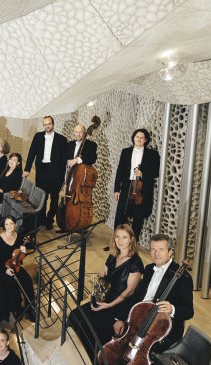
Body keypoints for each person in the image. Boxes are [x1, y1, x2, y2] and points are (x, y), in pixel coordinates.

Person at [112, 234, 193, 353]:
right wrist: (121, 318)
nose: (156, 253)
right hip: (138, 320)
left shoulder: (183, 278)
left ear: (170, 252)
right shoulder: (149, 269)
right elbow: (136, 296)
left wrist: (172, 308)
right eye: (153, 249)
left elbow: (188, 311)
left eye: (161, 249)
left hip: (160, 331)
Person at [70, 225, 143, 353]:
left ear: (131, 239)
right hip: (105, 300)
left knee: (87, 325)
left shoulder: (135, 263)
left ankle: (89, 357)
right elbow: (102, 278)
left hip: (120, 307)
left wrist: (109, 305)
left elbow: (129, 292)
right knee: (74, 315)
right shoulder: (112, 257)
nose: (120, 241)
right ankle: (74, 351)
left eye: (124, 237)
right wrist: (96, 296)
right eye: (117, 237)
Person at [113, 129, 161, 241]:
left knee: (138, 217)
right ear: (133, 138)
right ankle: (117, 241)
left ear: (145, 140)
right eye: (137, 137)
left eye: (142, 138)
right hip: (127, 186)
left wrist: (142, 174)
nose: (139, 139)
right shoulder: (125, 152)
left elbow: (156, 172)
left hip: (142, 189)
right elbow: (120, 171)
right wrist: (116, 189)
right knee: (120, 215)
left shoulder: (152, 154)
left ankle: (133, 243)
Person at [23, 115, 68, 229]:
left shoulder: (62, 139)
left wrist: (63, 176)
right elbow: (31, 153)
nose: (47, 126)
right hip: (42, 171)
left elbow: (64, 159)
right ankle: (41, 219)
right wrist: (27, 169)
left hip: (56, 173)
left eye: (49, 124)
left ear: (53, 124)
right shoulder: (38, 136)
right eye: (45, 124)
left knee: (54, 198)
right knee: (42, 197)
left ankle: (49, 220)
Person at [0, 216, 35, 323]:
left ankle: (30, 309)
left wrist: (24, 252)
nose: (9, 226)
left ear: (15, 225)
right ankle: (16, 310)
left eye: (11, 223)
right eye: (6, 224)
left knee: (28, 282)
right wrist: (5, 270)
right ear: (4, 226)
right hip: (1, 268)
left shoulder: (19, 237)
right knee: (12, 284)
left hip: (16, 266)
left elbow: (21, 256)